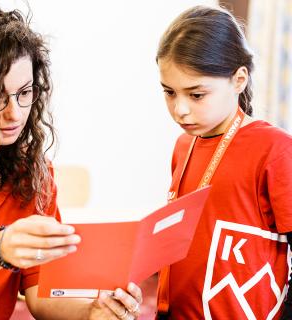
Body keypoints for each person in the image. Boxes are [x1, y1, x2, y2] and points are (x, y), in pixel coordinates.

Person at [0, 5, 142, 320]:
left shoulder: (32, 174)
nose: (15, 113)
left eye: (24, 92)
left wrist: (92, 313)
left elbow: (40, 296)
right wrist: (0, 248)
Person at [155, 5, 292, 320]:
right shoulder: (183, 145)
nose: (180, 110)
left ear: (239, 79)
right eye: (169, 93)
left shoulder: (275, 150)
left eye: (197, 95)